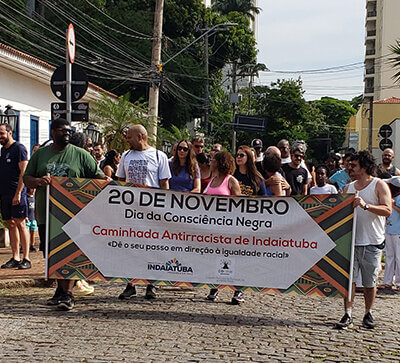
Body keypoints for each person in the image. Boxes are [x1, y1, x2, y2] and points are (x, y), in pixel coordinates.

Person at [23, 118, 107, 311]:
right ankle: (60, 290)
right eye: (62, 130)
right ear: (53, 132)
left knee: (69, 253)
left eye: (69, 131)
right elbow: (26, 178)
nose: (67, 134)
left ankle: (68, 293)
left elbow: (98, 178)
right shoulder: (41, 155)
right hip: (46, 214)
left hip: (73, 215)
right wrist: (38, 181)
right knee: (51, 253)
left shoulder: (81, 155)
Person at [335, 150, 392, 330]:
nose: (349, 168)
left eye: (354, 165)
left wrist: (366, 206)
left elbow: (387, 209)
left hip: (372, 241)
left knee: (369, 282)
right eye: (349, 165)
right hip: (351, 242)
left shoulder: (379, 185)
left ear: (365, 167)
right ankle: (348, 313)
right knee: (349, 280)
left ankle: (368, 312)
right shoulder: (348, 188)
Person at [116, 124, 171, 300]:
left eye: (129, 137)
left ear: (140, 137)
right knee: (131, 247)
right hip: (131, 211)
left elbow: (164, 184)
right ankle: (130, 284)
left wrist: (165, 209)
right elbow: (120, 182)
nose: (127, 140)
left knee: (152, 247)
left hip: (152, 211)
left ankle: (151, 284)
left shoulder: (158, 156)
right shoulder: (125, 156)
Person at [203, 151, 241, 304]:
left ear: (219, 162)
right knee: (215, 257)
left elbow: (239, 205)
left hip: (228, 227)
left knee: (232, 258)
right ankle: (215, 286)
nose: (209, 161)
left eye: (212, 159)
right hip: (213, 228)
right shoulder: (212, 180)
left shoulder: (230, 181)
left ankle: (237, 289)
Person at [0, 123, 31, 270]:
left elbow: (23, 172)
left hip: (17, 192)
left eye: (2, 133)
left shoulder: (18, 148)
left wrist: (18, 193)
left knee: (20, 223)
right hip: (5, 193)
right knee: (10, 224)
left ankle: (26, 257)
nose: (0, 137)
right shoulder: (3, 150)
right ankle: (15, 256)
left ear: (9, 133)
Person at [381, 176, 400, 290]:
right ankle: (387, 281)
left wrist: (393, 205)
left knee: (399, 257)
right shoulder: (391, 198)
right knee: (389, 256)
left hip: (398, 232)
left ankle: (398, 282)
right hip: (389, 230)